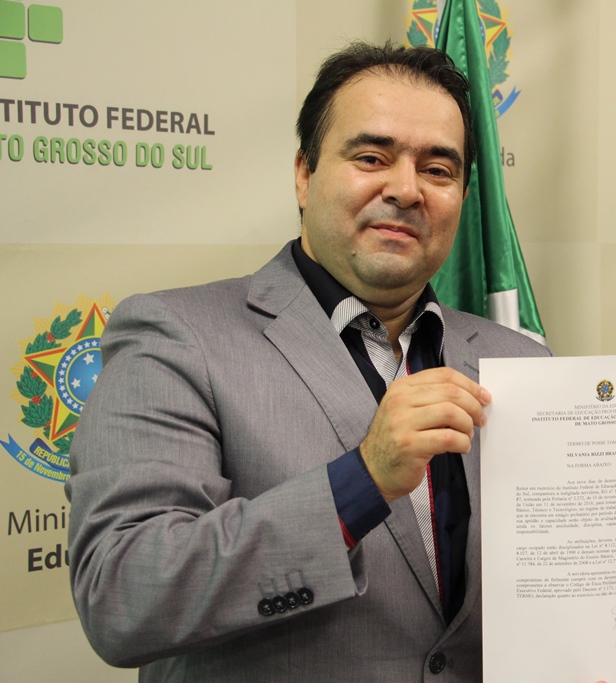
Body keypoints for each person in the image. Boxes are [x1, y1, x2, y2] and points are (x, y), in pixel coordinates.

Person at [66, 42, 553, 681]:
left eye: (438, 169)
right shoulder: (176, 338)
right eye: (372, 158)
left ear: (462, 194)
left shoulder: (520, 361)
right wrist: (362, 480)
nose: (406, 189)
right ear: (304, 173)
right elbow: (124, 597)